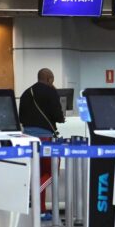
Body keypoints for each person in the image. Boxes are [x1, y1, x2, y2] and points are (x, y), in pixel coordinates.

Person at [18, 68, 65, 217]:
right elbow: (58, 116)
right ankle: (33, 192)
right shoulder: (51, 92)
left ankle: (41, 211)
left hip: (26, 138)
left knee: (36, 173)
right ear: (49, 79)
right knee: (52, 172)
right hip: (45, 138)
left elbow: (21, 117)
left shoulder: (26, 93)